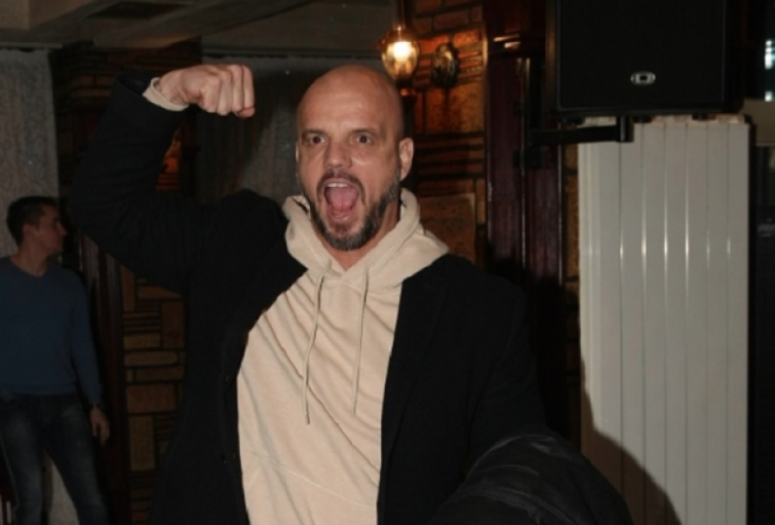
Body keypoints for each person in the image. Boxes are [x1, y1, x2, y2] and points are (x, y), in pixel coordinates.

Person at [71, 64, 628, 525]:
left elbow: (517, 470)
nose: (335, 160)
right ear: (298, 157)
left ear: (402, 158)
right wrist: (168, 93)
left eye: (362, 138)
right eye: (317, 139)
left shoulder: (477, 310)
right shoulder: (237, 247)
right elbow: (101, 206)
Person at [0, 196, 111, 525]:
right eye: (54, 224)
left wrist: (95, 402)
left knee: (92, 498)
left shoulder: (69, 284)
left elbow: (83, 344)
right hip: (16, 404)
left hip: (66, 403)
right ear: (30, 229)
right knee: (31, 502)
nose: (63, 231)